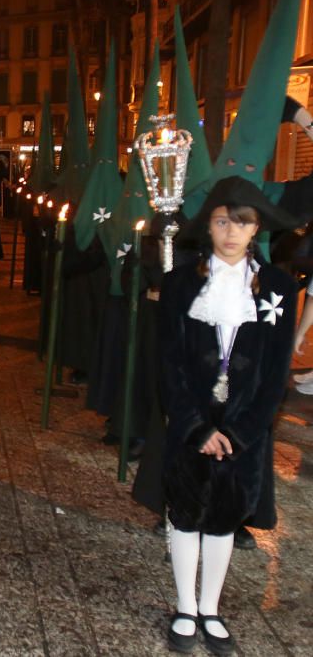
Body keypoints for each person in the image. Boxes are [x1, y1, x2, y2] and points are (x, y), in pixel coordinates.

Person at [159, 176, 299, 654]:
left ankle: (210, 607)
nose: (232, 232)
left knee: (223, 516)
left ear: (257, 227)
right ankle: (184, 605)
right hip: (192, 424)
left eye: (242, 223)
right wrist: (196, 426)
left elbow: (276, 371)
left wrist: (239, 431)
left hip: (244, 429)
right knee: (186, 512)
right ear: (209, 226)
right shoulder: (181, 283)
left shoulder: (278, 287)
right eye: (222, 221)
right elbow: (170, 361)